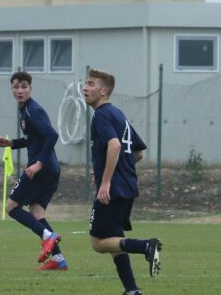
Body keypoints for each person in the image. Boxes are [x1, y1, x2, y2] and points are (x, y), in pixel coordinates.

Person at [83, 69, 162, 295]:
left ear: (104, 90)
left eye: (91, 84)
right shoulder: (118, 114)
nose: (85, 88)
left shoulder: (101, 115)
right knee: (115, 240)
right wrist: (108, 171)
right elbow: (137, 154)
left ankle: (147, 246)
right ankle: (132, 291)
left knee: (99, 243)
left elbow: (115, 146)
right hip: (127, 186)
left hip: (113, 189)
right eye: (85, 83)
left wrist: (106, 182)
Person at [0, 71, 67, 271]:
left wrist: (39, 163)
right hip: (51, 169)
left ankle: (48, 237)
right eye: (16, 86)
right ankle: (58, 260)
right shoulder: (24, 109)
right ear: (11, 89)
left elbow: (52, 135)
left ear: (31, 89)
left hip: (41, 169)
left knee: (11, 208)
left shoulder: (32, 110)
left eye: (24, 86)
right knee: (36, 213)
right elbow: (35, 138)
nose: (20, 90)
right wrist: (12, 143)